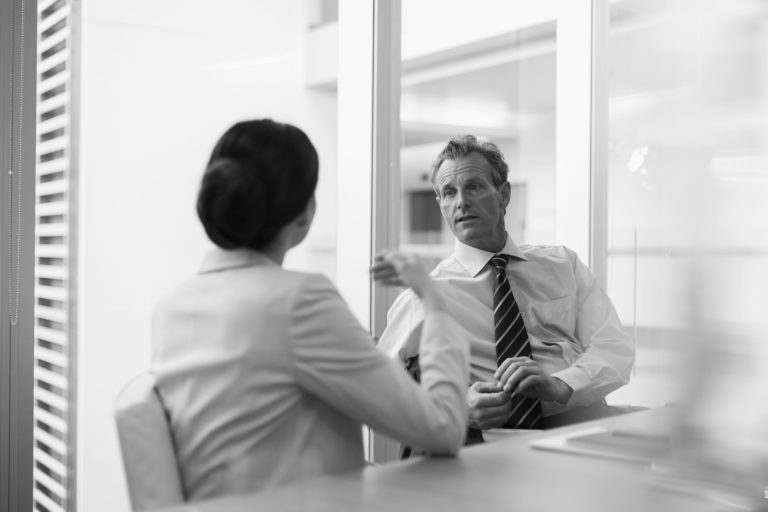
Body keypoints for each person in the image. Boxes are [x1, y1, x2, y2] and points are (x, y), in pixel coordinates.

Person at [150, 119, 469, 501]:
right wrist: (431, 298)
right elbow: (443, 427)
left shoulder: (170, 309)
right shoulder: (300, 301)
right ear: (305, 213)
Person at [378, 135, 634, 445]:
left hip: (582, 427)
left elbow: (614, 347)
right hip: (494, 448)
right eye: (449, 192)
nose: (461, 202)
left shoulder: (563, 264)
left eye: (473, 186)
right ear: (441, 204)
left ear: (504, 195)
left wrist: (560, 385)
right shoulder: (424, 296)